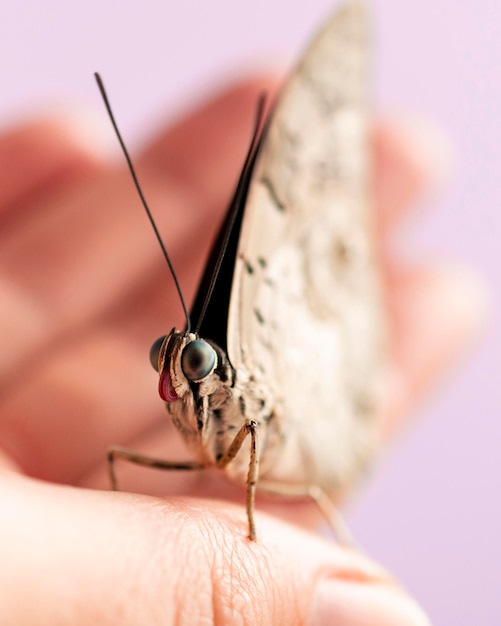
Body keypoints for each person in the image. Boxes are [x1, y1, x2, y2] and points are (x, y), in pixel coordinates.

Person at [0, 75, 485, 625]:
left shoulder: (239, 409)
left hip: (309, 434)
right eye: (166, 355)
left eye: (187, 363)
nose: (173, 373)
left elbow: (247, 434)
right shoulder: (187, 393)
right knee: (117, 457)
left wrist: (247, 532)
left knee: (305, 488)